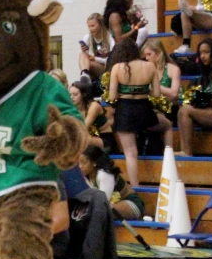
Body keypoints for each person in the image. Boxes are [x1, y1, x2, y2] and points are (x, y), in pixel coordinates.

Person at [109, 39, 172, 186]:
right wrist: (143, 90)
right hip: (144, 110)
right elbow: (156, 94)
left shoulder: (117, 68)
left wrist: (124, 91)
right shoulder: (150, 66)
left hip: (125, 110)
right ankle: (169, 157)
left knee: (131, 153)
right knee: (167, 125)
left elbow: (112, 97)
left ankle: (136, 186)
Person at [79, 145, 144, 220]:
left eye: (83, 162)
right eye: (78, 163)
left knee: (100, 210)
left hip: (131, 204)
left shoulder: (104, 174)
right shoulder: (86, 175)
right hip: (112, 206)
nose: (80, 166)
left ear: (94, 163)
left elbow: (103, 201)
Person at [69, 81, 116, 153]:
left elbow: (84, 127)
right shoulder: (72, 108)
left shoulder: (94, 106)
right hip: (87, 137)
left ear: (83, 95)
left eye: (75, 95)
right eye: (70, 95)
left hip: (104, 139)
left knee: (81, 139)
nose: (72, 97)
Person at [143, 39, 181, 126]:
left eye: (149, 54)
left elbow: (174, 94)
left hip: (169, 109)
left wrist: (155, 87)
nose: (146, 58)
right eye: (145, 55)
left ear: (159, 53)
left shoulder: (172, 69)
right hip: (152, 108)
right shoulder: (147, 70)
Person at [79, 13, 115, 80]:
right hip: (95, 65)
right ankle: (84, 75)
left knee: (89, 64)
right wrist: (84, 51)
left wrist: (95, 59)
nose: (90, 29)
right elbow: (84, 58)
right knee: (82, 54)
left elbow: (113, 59)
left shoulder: (108, 37)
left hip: (107, 66)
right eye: (89, 26)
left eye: (93, 26)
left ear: (100, 25)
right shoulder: (88, 37)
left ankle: (85, 76)